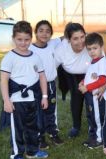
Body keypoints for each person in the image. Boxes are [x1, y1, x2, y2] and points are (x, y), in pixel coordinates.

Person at [0, 21, 49, 159]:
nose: (23, 43)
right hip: (16, 100)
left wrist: (45, 96)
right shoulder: (9, 57)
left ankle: (32, 151)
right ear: (13, 38)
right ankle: (17, 155)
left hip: (33, 99)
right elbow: (3, 81)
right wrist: (6, 101)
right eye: (19, 39)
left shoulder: (35, 57)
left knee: (33, 126)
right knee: (18, 129)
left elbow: (42, 77)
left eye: (26, 39)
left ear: (31, 38)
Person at [55, 22, 96, 138]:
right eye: (75, 38)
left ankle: (93, 127)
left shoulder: (92, 42)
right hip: (72, 75)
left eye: (83, 36)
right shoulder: (61, 49)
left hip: (89, 75)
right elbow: (51, 69)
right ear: (68, 39)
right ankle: (76, 126)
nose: (81, 41)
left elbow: (103, 63)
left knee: (92, 101)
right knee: (76, 99)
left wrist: (103, 83)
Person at [29, 20, 64, 149]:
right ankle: (39, 136)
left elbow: (64, 37)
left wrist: (82, 32)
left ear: (51, 34)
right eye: (41, 30)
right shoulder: (30, 48)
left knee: (51, 110)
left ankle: (53, 132)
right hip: (36, 85)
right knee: (38, 111)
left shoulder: (52, 44)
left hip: (50, 84)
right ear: (36, 32)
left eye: (48, 31)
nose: (44, 33)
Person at [77, 32, 106, 149]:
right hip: (89, 95)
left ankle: (99, 139)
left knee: (97, 118)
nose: (92, 52)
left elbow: (102, 80)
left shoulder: (103, 62)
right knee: (90, 116)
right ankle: (92, 137)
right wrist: (83, 82)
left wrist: (87, 87)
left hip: (95, 95)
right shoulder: (92, 61)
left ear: (101, 47)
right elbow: (90, 75)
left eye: (95, 48)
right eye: (89, 49)